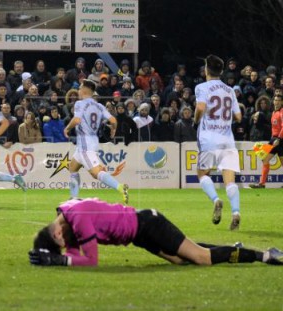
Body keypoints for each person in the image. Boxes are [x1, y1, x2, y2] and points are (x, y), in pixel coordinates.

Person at [28, 198, 283, 267]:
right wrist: (57, 258)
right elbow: (75, 252)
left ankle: (263, 255)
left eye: (58, 243)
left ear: (57, 235)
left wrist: (60, 260)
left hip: (148, 224)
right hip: (139, 235)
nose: (64, 244)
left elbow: (90, 260)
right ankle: (228, 248)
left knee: (202, 259)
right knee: (181, 258)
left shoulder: (78, 218)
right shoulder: (65, 211)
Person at [194, 55, 242, 230]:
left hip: (209, 139)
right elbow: (238, 116)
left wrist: (195, 121)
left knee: (202, 174)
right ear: (221, 71)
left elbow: (200, 108)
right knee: (230, 181)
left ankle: (216, 199)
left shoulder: (201, 87)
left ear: (206, 69)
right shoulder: (230, 90)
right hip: (228, 140)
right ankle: (236, 212)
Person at [63, 79, 128, 202]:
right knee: (73, 167)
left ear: (84, 90)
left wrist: (67, 128)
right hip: (91, 141)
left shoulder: (79, 104)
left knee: (96, 173)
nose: (78, 90)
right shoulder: (99, 106)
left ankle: (120, 187)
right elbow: (113, 120)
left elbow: (77, 120)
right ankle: (74, 198)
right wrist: (113, 130)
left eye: (80, 87)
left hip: (85, 145)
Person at [249, 95, 283, 189]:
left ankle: (262, 183)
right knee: (265, 159)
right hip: (274, 139)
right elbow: (274, 128)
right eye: (275, 100)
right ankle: (262, 183)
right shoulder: (273, 113)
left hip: (279, 140)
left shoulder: (281, 112)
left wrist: (279, 139)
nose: (276, 102)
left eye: (279, 100)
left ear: (282, 102)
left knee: (266, 160)